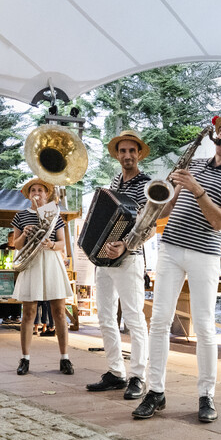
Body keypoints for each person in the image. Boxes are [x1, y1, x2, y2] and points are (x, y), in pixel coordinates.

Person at [134, 113, 221, 423]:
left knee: (203, 326)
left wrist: (196, 188)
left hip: (204, 254)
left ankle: (206, 395)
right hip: (171, 246)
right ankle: (155, 392)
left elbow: (220, 221)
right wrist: (163, 196)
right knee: (159, 320)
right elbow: (170, 206)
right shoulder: (197, 164)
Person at [86, 130, 152, 401]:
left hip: (130, 259)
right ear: (117, 154)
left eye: (131, 151)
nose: (127, 155)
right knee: (105, 317)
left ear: (138, 154)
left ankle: (138, 376)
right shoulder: (114, 182)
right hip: (104, 260)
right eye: (122, 151)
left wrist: (125, 244)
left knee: (134, 318)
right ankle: (115, 371)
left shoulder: (146, 184)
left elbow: (149, 226)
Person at [11, 178, 72, 375]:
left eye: (40, 190)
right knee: (29, 313)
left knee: (60, 312)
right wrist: (24, 235)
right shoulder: (21, 216)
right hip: (32, 261)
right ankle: (25, 359)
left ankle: (65, 359)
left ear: (47, 194)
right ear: (28, 195)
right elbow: (16, 244)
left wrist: (52, 245)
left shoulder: (55, 215)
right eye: (33, 190)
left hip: (51, 260)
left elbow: (63, 243)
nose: (37, 193)